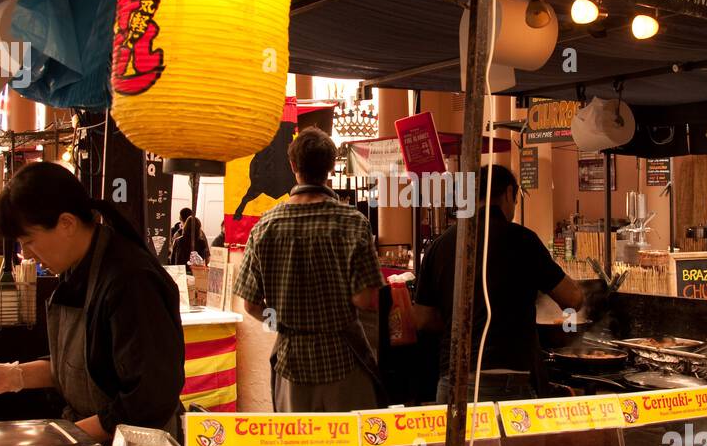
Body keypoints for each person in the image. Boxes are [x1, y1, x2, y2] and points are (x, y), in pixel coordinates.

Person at [0, 162, 185, 443]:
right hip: (97, 444)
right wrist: (13, 376)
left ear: (66, 223)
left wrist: (62, 438)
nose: (26, 254)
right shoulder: (77, 267)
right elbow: (85, 367)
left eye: (29, 241)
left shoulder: (131, 280)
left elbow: (150, 399)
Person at [234, 127, 384, 413]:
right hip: (345, 360)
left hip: (291, 361)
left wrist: (285, 324)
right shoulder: (352, 222)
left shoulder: (265, 226)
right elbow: (366, 300)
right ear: (330, 166)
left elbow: (251, 305)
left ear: (292, 166)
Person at [413, 164, 584, 401]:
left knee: (458, 441)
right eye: (516, 200)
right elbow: (573, 298)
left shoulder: (441, 244)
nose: (514, 207)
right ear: (507, 193)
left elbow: (422, 319)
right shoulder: (523, 240)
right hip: (507, 381)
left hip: (453, 380)